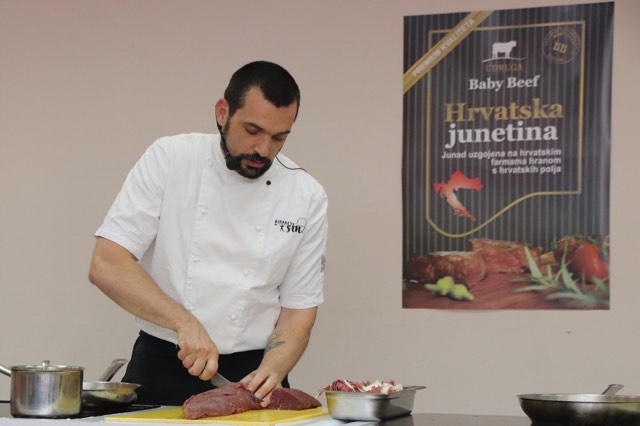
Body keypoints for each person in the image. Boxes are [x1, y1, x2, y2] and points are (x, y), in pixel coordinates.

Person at [88, 61, 328, 406]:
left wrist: (273, 369)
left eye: (279, 137)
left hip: (254, 376)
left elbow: (299, 308)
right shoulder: (170, 159)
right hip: (163, 363)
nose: (263, 149)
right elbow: (107, 264)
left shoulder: (306, 195)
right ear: (222, 112)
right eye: (252, 130)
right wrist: (183, 322)